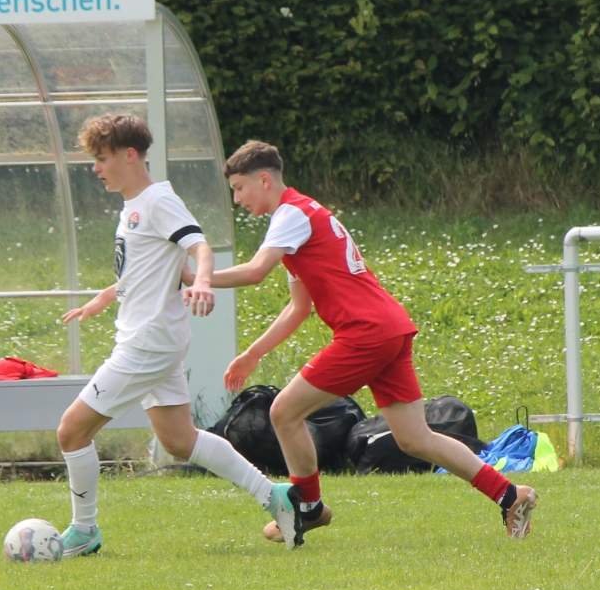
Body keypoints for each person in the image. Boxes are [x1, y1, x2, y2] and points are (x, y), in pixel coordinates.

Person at [208, 140, 537, 544]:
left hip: (366, 332)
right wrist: (252, 354)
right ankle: (510, 495)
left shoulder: (290, 214)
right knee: (415, 438)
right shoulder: (301, 216)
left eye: (239, 188)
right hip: (388, 328)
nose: (237, 199)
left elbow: (256, 271)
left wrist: (196, 277)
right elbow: (298, 307)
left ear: (263, 180)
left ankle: (307, 508)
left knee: (283, 412)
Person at [53, 113, 298, 556]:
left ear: (130, 155)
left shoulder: (158, 201)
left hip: (147, 343)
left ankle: (84, 530)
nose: (96, 168)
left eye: (102, 158)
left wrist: (202, 282)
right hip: (154, 339)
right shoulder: (133, 207)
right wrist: (106, 297)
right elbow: (146, 269)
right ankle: (275, 497)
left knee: (71, 431)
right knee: (180, 440)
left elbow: (199, 246)